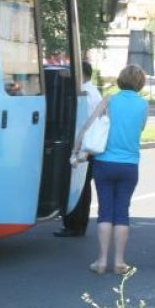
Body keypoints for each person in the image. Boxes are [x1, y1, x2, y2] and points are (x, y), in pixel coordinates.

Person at [73, 64, 148, 275]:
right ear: (140, 83)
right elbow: (140, 128)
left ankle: (101, 260)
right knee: (122, 211)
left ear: (120, 79)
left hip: (105, 162)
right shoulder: (143, 104)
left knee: (105, 210)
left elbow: (88, 125)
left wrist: (76, 150)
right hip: (129, 164)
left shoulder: (109, 100)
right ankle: (119, 262)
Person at [56, 61, 101, 238]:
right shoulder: (92, 91)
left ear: (80, 73)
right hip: (87, 144)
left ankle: (74, 224)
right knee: (83, 185)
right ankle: (78, 223)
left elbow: (84, 121)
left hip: (83, 145)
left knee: (78, 185)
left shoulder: (85, 93)